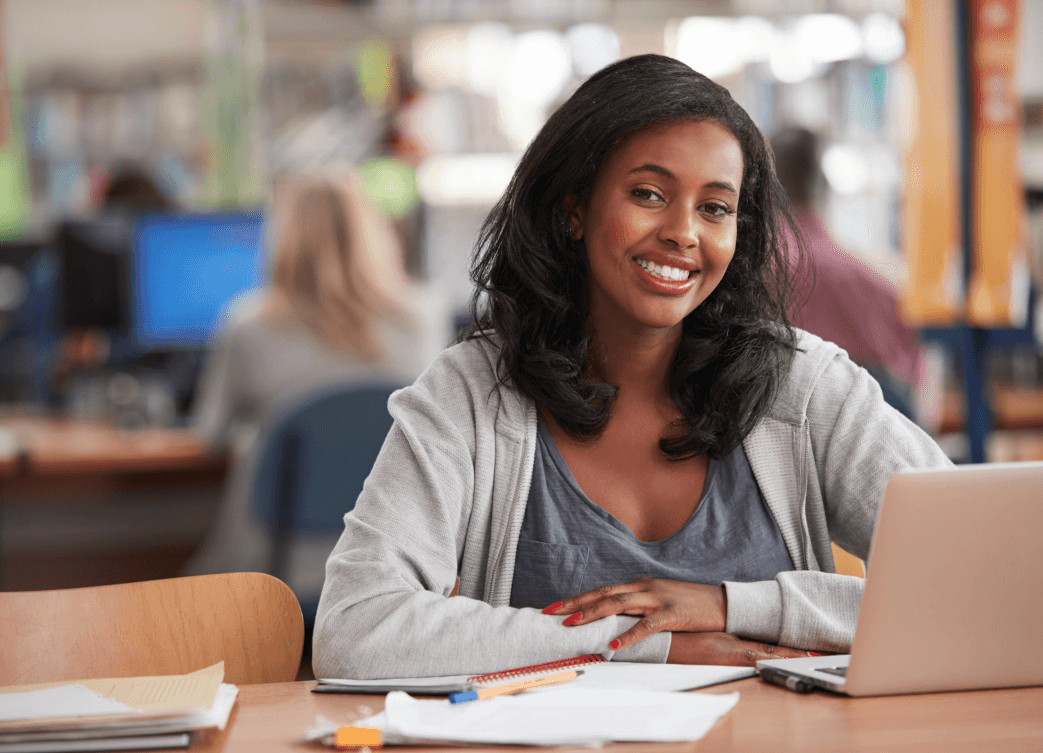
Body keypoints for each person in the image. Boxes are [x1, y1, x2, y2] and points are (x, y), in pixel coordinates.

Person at [312, 54, 953, 680]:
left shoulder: (806, 387)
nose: (684, 233)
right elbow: (356, 629)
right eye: (649, 194)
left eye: (715, 207)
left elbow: (980, 580)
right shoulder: (473, 395)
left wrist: (738, 607)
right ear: (573, 210)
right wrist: (645, 645)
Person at [184, 174, 439, 591]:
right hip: (394, 570)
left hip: (275, 572)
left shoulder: (248, 327)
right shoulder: (419, 321)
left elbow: (208, 435)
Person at [769, 127, 923, 419]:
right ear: (819, 184)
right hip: (859, 408)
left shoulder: (748, 265)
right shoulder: (850, 272)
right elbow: (909, 344)